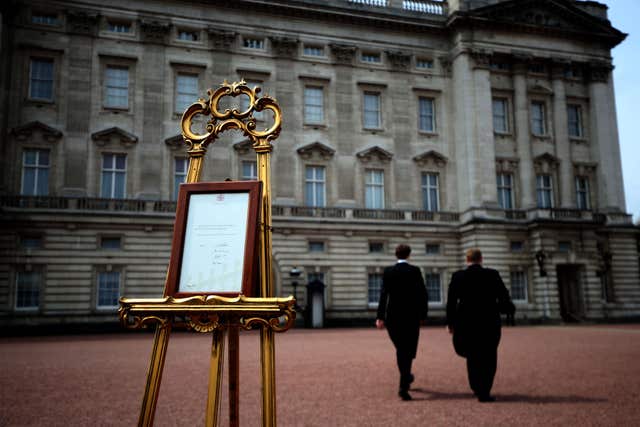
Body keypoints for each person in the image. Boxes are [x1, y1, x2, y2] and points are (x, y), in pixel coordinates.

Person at [446, 248, 515, 402]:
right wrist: (505, 309)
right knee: (489, 356)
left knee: (472, 356)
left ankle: (476, 386)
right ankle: (485, 390)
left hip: (466, 322)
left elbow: (451, 302)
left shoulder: (458, 276)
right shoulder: (492, 274)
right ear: (481, 259)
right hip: (489, 321)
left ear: (467, 259)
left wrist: (450, 322)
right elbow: (504, 299)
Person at [376, 244, 429, 401]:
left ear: (395, 254)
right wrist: (423, 315)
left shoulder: (389, 271)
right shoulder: (414, 271)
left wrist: (380, 317)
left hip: (393, 317)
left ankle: (406, 378)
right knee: (407, 350)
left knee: (402, 350)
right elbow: (423, 294)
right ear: (409, 255)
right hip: (411, 316)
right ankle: (404, 383)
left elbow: (383, 295)